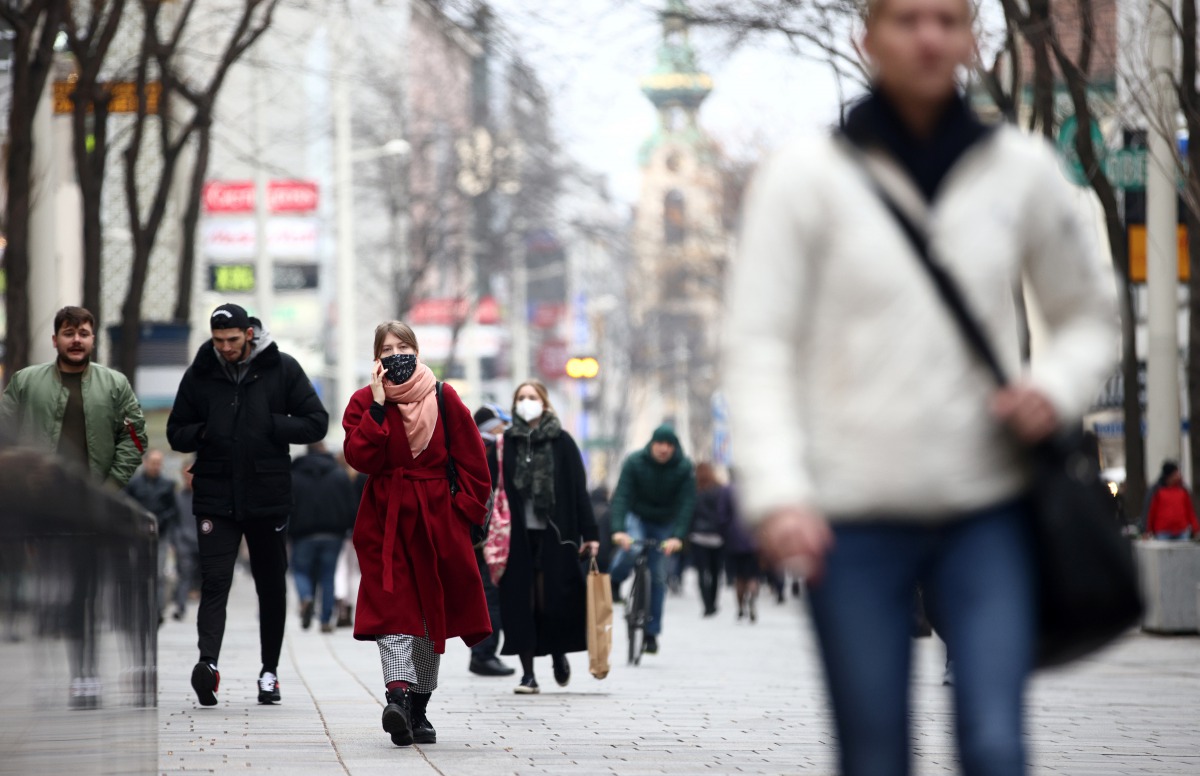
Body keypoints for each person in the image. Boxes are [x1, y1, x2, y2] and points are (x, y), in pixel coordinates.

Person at [722, 0, 1119, 774]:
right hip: (852, 518)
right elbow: (759, 345)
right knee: (875, 756)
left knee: (997, 746)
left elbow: (1087, 314)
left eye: (948, 19)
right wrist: (777, 493)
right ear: (865, 37)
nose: (929, 37)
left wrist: (1056, 386)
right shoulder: (807, 179)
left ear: (972, 37)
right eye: (907, 19)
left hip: (988, 509)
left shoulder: (1020, 170)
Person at [167, 303, 329, 707]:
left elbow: (316, 422)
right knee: (215, 581)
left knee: (271, 585)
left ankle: (269, 672)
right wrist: (206, 432)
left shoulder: (282, 368)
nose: (225, 348)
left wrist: (271, 423)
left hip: (267, 495)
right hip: (215, 494)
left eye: (233, 340)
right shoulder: (202, 372)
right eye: (219, 341)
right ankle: (207, 665)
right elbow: (176, 432)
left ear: (249, 334)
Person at [343, 321, 492, 747]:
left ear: (417, 349)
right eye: (386, 349)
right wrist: (375, 408)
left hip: (437, 521)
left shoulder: (444, 397)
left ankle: (419, 709)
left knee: (431, 616)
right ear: (377, 357)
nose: (396, 354)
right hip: (384, 520)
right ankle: (397, 696)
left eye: (403, 346)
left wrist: (463, 512)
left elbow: (474, 462)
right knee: (392, 609)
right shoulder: (362, 401)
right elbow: (360, 458)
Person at [495, 380, 599, 694]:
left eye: (532, 397)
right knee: (520, 605)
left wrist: (591, 534)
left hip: (556, 535)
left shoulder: (562, 442)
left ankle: (558, 653)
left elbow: (579, 491)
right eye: (521, 398)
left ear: (545, 402)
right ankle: (528, 674)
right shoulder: (506, 444)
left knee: (550, 602)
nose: (526, 402)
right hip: (516, 537)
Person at [0, 305, 146, 488]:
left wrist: (112, 485)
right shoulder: (24, 381)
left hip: (93, 499)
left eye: (83, 334)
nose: (76, 340)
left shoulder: (115, 384)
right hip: (35, 495)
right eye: (68, 334)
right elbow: (4, 432)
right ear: (55, 340)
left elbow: (134, 439)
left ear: (92, 340)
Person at [608, 425, 695, 655]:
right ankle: (615, 581)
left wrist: (677, 536)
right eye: (660, 443)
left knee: (658, 575)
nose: (664, 449)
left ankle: (651, 633)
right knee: (631, 547)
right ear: (651, 444)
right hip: (637, 516)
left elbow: (686, 504)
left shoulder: (684, 468)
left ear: (675, 448)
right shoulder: (635, 462)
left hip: (665, 522)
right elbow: (622, 496)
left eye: (669, 445)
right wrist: (618, 530)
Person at [468, 403, 517, 677]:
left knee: (487, 594)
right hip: (488, 536)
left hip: (479, 533)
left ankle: (483, 653)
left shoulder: (476, 447)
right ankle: (483, 654)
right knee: (490, 596)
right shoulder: (489, 450)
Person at [290, 442, 357, 632]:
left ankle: (305, 597)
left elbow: (289, 506)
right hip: (333, 534)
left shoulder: (295, 475)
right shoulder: (338, 474)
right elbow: (350, 506)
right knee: (328, 575)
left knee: (300, 571)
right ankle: (326, 619)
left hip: (302, 534)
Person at [125, 449, 180, 623]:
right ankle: (139, 608)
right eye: (153, 462)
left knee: (159, 574)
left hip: (160, 535)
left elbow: (173, 510)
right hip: (138, 535)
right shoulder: (134, 484)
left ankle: (157, 609)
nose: (156, 466)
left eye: (159, 463)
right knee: (139, 573)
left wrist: (162, 521)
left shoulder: (167, 485)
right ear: (145, 462)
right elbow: (126, 505)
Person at [688, 462, 729, 617]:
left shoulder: (693, 489)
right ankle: (713, 602)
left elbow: (690, 512)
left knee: (701, 572)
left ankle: (706, 605)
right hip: (717, 537)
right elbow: (724, 512)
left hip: (698, 536)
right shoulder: (719, 489)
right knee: (715, 572)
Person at [720, 486, 761, 623]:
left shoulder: (728, 491)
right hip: (755, 538)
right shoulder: (757, 488)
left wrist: (725, 534)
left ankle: (740, 608)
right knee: (753, 576)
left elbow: (721, 516)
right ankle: (752, 599)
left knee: (739, 577)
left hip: (734, 540)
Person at [172, 459, 201, 621]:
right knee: (184, 574)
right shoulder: (177, 497)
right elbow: (173, 521)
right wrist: (174, 541)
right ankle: (180, 607)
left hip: (204, 542)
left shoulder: (206, 497)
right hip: (184, 542)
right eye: (187, 473)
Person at [1145, 462, 1200, 541]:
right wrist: (1149, 530)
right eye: (1176, 473)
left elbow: (1189, 511)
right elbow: (1152, 512)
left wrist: (1196, 529)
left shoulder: (1183, 491)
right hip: (1163, 531)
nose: (1178, 475)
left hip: (1181, 530)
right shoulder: (1158, 491)